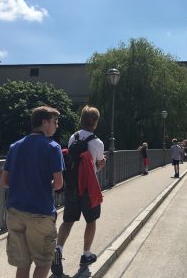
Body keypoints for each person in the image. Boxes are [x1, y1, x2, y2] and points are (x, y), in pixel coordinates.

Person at [0, 106, 64, 278]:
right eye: (54, 121)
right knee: (43, 262)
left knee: (22, 263)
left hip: (15, 212)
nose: (56, 125)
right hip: (40, 213)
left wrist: (23, 184)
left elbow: (4, 181)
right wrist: (43, 184)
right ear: (44, 122)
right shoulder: (53, 147)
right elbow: (58, 184)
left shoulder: (15, 146)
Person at [51, 105, 106, 276]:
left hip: (72, 188)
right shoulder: (97, 143)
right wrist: (101, 165)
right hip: (88, 189)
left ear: (81, 119)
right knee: (91, 220)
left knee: (68, 220)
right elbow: (96, 166)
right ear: (95, 123)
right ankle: (86, 255)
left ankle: (58, 250)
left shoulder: (72, 138)